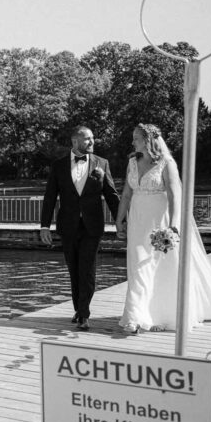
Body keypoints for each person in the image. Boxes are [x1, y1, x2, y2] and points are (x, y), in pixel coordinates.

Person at [115, 123, 211, 333]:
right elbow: (126, 194)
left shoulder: (166, 163)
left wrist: (173, 225)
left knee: (160, 266)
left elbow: (174, 195)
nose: (132, 142)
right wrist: (119, 219)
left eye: (136, 138)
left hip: (160, 220)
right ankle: (135, 316)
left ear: (149, 140)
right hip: (137, 220)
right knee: (137, 265)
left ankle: (160, 314)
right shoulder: (132, 162)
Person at [40, 126, 120, 330]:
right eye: (87, 139)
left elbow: (111, 195)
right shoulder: (58, 166)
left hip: (92, 227)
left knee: (87, 270)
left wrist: (123, 220)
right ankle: (78, 308)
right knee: (73, 270)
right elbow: (50, 198)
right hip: (68, 226)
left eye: (93, 138)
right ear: (75, 141)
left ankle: (84, 314)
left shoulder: (102, 163)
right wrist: (44, 226)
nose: (92, 142)